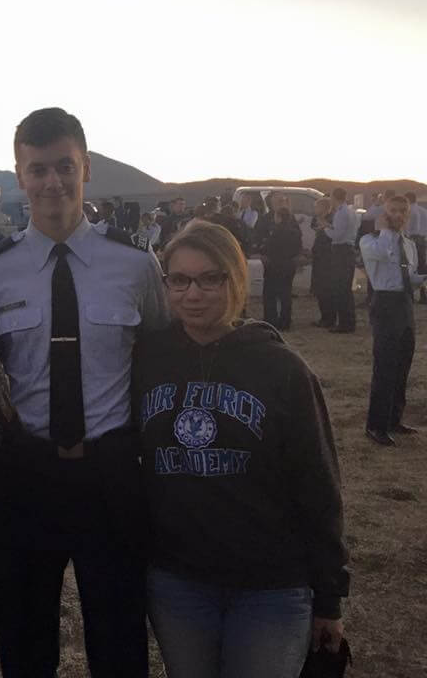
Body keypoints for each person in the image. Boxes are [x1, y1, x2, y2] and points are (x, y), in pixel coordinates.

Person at [0, 108, 169, 678]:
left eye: (64, 166)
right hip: (24, 473)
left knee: (119, 637)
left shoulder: (134, 264)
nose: (52, 181)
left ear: (86, 167)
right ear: (19, 175)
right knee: (24, 643)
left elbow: (159, 358)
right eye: (38, 169)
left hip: (111, 474)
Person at [133, 220, 350, 678]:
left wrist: (329, 596)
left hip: (270, 586)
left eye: (210, 278)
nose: (193, 293)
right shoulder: (147, 361)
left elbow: (318, 484)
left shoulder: (281, 368)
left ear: (236, 280)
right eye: (179, 279)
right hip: (179, 580)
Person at [359, 193, 426, 446]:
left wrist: (422, 278)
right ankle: (376, 426)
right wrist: (387, 230)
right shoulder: (370, 241)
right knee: (385, 366)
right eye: (392, 211)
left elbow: (409, 277)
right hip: (385, 304)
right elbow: (386, 254)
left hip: (404, 304)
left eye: (402, 211)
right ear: (383, 215)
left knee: (402, 364)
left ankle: (394, 419)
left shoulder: (409, 244)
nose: (398, 215)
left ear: (408, 215)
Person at [261, 206, 302, 331]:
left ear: (278, 217)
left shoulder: (275, 231)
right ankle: (286, 321)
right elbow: (298, 248)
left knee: (270, 294)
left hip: (274, 265)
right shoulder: (294, 231)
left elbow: (268, 248)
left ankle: (271, 320)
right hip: (289, 265)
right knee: (286, 294)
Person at [325, 188, 359, 333]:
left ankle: (345, 324)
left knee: (341, 288)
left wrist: (325, 227)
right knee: (345, 288)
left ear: (334, 197)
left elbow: (336, 235)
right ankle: (348, 321)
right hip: (347, 250)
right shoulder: (350, 211)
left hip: (341, 251)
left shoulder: (341, 213)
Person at [310, 197, 336, 328]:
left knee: (326, 289)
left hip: (327, 259)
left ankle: (329, 318)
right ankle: (324, 317)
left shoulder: (331, 219)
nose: (315, 210)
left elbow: (331, 234)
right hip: (319, 257)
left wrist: (324, 223)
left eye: (317, 207)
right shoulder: (317, 219)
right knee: (320, 290)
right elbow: (314, 227)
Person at [405, 192, 427, 304]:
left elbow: (410, 229)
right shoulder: (423, 211)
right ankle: (423, 295)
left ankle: (411, 295)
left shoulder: (410, 211)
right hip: (422, 240)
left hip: (413, 239)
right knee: (422, 268)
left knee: (410, 267)